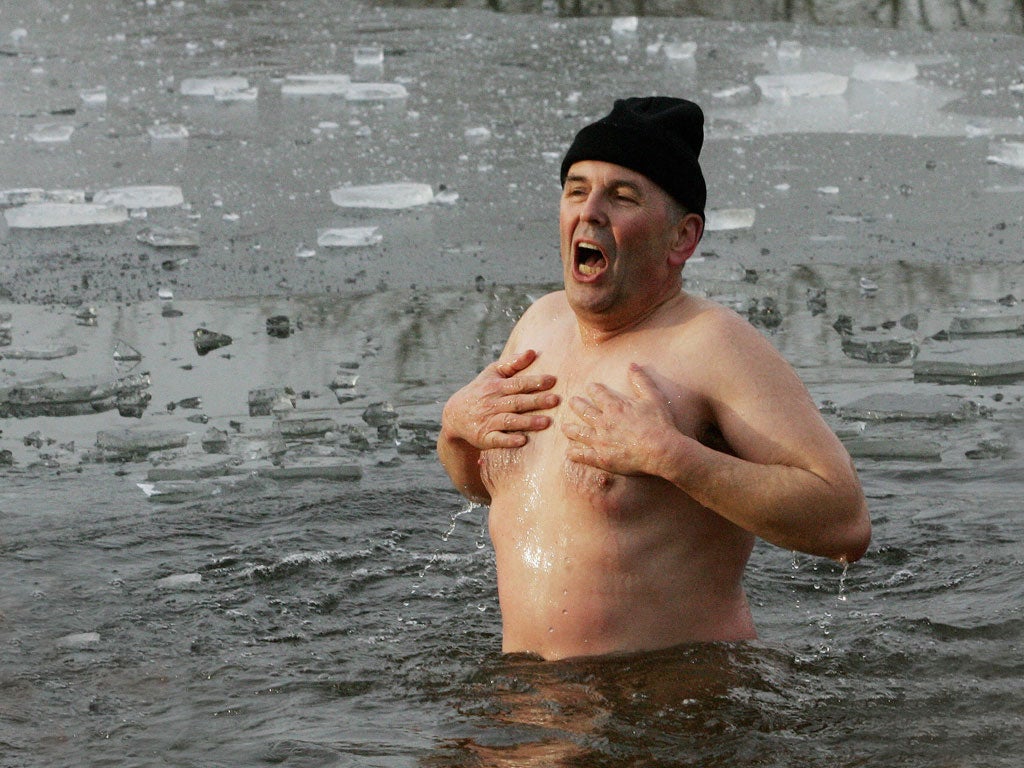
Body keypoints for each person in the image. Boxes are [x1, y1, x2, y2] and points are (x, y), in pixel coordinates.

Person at [437, 96, 871, 661]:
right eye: (576, 188)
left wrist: (672, 457)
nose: (590, 211)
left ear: (682, 239)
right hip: (529, 704)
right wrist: (454, 431)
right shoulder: (539, 325)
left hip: (670, 706)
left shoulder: (713, 345)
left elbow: (845, 522)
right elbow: (484, 488)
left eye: (622, 197)